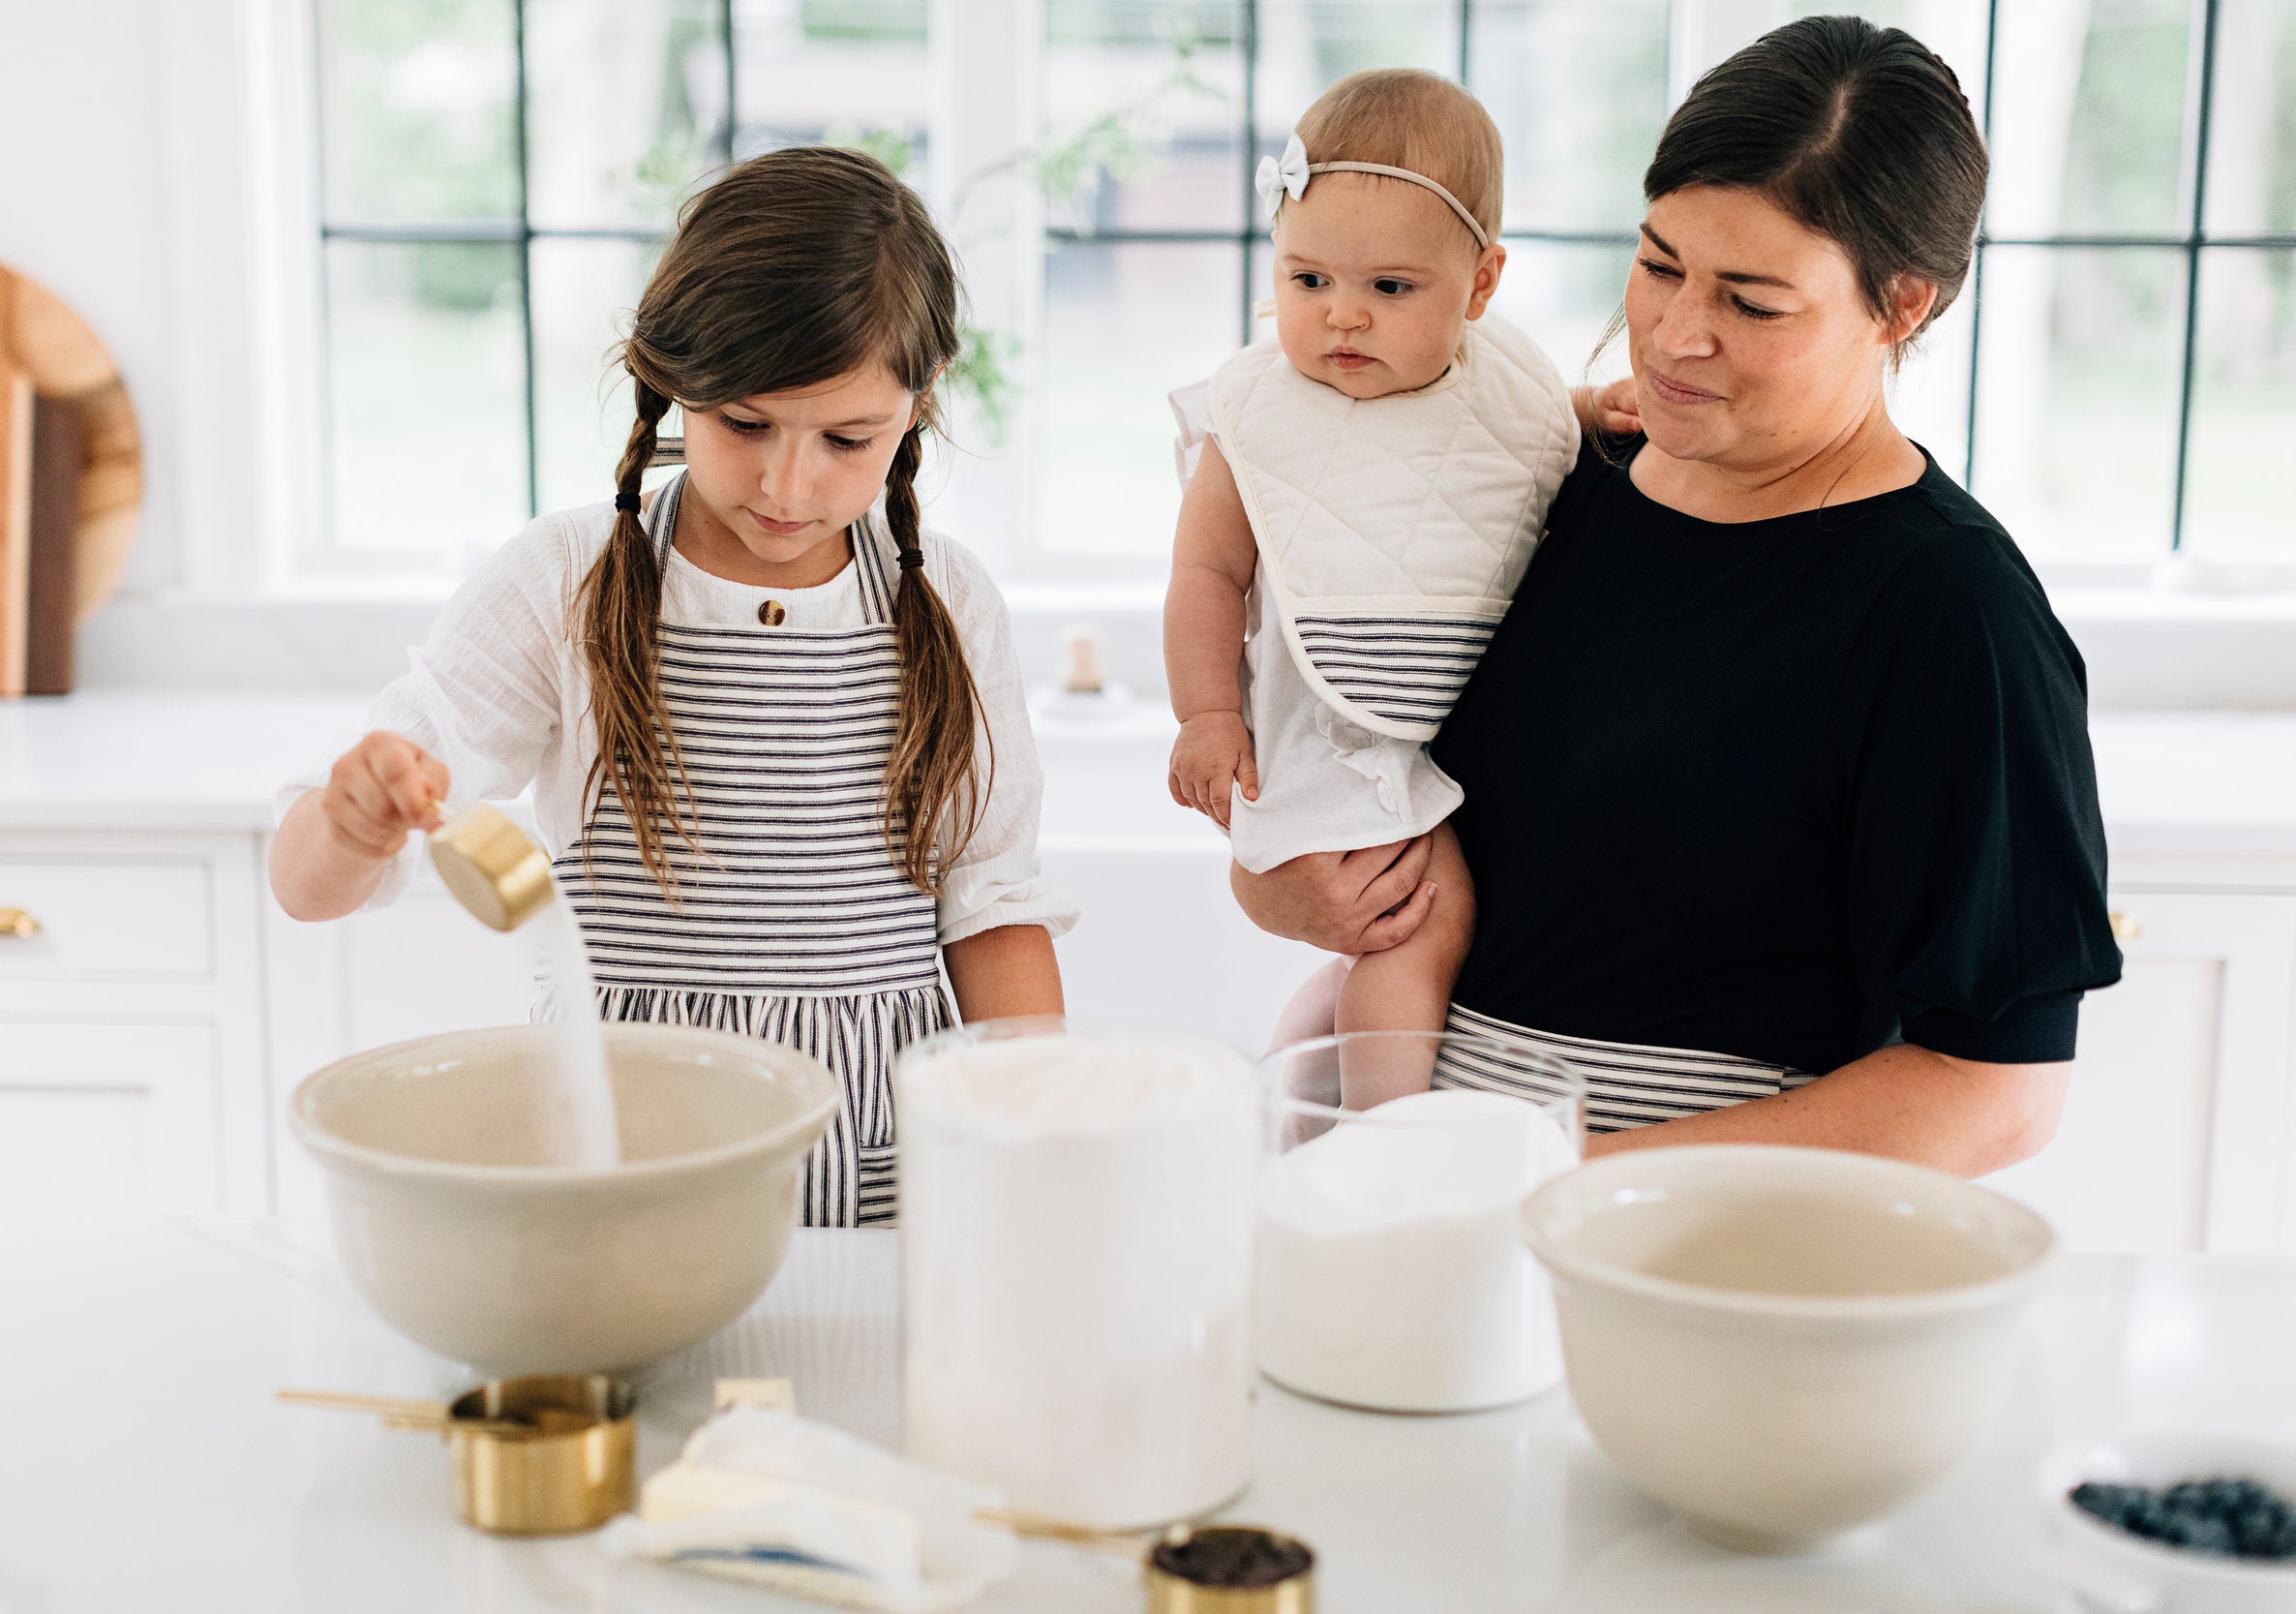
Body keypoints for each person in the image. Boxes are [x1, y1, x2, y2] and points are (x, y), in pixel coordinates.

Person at [1233, 17, 2123, 1176]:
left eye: (1751, 302)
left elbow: (1993, 1091)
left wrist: (1562, 1175)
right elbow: (1357, 772)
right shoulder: (1540, 482)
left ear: (1902, 304)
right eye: (1658, 263)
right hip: (1420, 1200)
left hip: (1690, 1241)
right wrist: (1286, 887)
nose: (1674, 333)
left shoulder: (1947, 614)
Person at [269, 147, 1072, 1227]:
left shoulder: (946, 604)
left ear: (917, 408)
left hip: (888, 1184)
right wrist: (352, 820)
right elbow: (306, 885)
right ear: (666, 379)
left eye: (847, 438)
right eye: (744, 424)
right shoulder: (567, 582)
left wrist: (1041, 1157)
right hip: (617, 1165)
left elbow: (993, 907)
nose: (789, 483)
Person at [1163, 70, 1577, 1108]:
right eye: (1307, 282)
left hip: (1434, 736)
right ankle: (1385, 1130)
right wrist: (1205, 713)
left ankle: (1310, 1109)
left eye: (1390, 289)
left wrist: (1588, 409)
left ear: (1479, 286)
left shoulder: (1510, 396)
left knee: (1382, 950)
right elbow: (1205, 571)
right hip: (1319, 739)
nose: (1341, 317)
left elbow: (1489, 456)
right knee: (1420, 922)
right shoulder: (1260, 417)